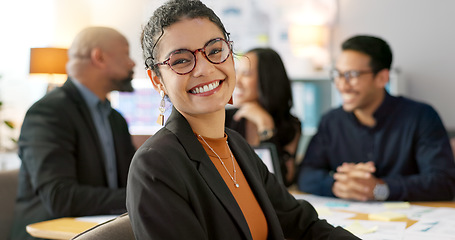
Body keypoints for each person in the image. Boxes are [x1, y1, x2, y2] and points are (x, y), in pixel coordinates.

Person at [126, 0, 359, 239]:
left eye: (215, 50)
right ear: (157, 81)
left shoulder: (236, 146)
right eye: (181, 60)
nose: (204, 69)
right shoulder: (155, 165)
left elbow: (304, 226)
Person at [11, 26, 137, 239]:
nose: (132, 62)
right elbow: (61, 198)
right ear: (99, 57)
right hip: (51, 235)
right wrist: (138, 196)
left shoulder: (115, 118)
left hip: (101, 231)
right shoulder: (48, 112)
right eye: (126, 53)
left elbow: (131, 180)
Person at [297, 35, 455, 201]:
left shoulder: (422, 117)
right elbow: (306, 174)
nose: (342, 85)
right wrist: (337, 185)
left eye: (352, 75)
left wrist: (381, 188)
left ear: (382, 78)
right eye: (338, 74)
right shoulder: (331, 121)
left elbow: (443, 182)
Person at [226, 48, 301, 187]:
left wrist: (265, 124)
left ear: (268, 80)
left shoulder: (290, 125)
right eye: (237, 72)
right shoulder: (225, 119)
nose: (237, 81)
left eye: (246, 74)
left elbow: (282, 182)